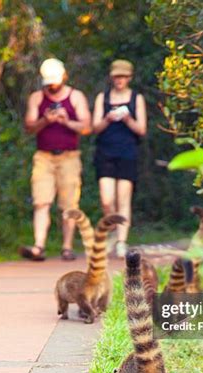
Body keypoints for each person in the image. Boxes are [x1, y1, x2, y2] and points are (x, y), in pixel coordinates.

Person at [20, 58, 91, 261]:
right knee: (41, 201)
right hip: (44, 157)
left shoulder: (76, 97)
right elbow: (29, 126)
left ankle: (67, 247)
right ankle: (39, 246)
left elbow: (87, 127)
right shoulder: (37, 98)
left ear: (64, 77)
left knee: (69, 204)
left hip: (69, 156)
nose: (52, 85)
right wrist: (45, 120)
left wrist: (66, 121)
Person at [92, 59, 147, 258]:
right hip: (105, 151)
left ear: (129, 78)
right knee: (107, 200)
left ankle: (122, 240)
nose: (119, 80)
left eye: (123, 76)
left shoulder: (135, 98)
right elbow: (94, 127)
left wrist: (127, 118)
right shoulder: (103, 98)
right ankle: (113, 229)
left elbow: (141, 129)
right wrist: (108, 118)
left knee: (124, 198)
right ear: (112, 78)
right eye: (116, 76)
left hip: (127, 152)